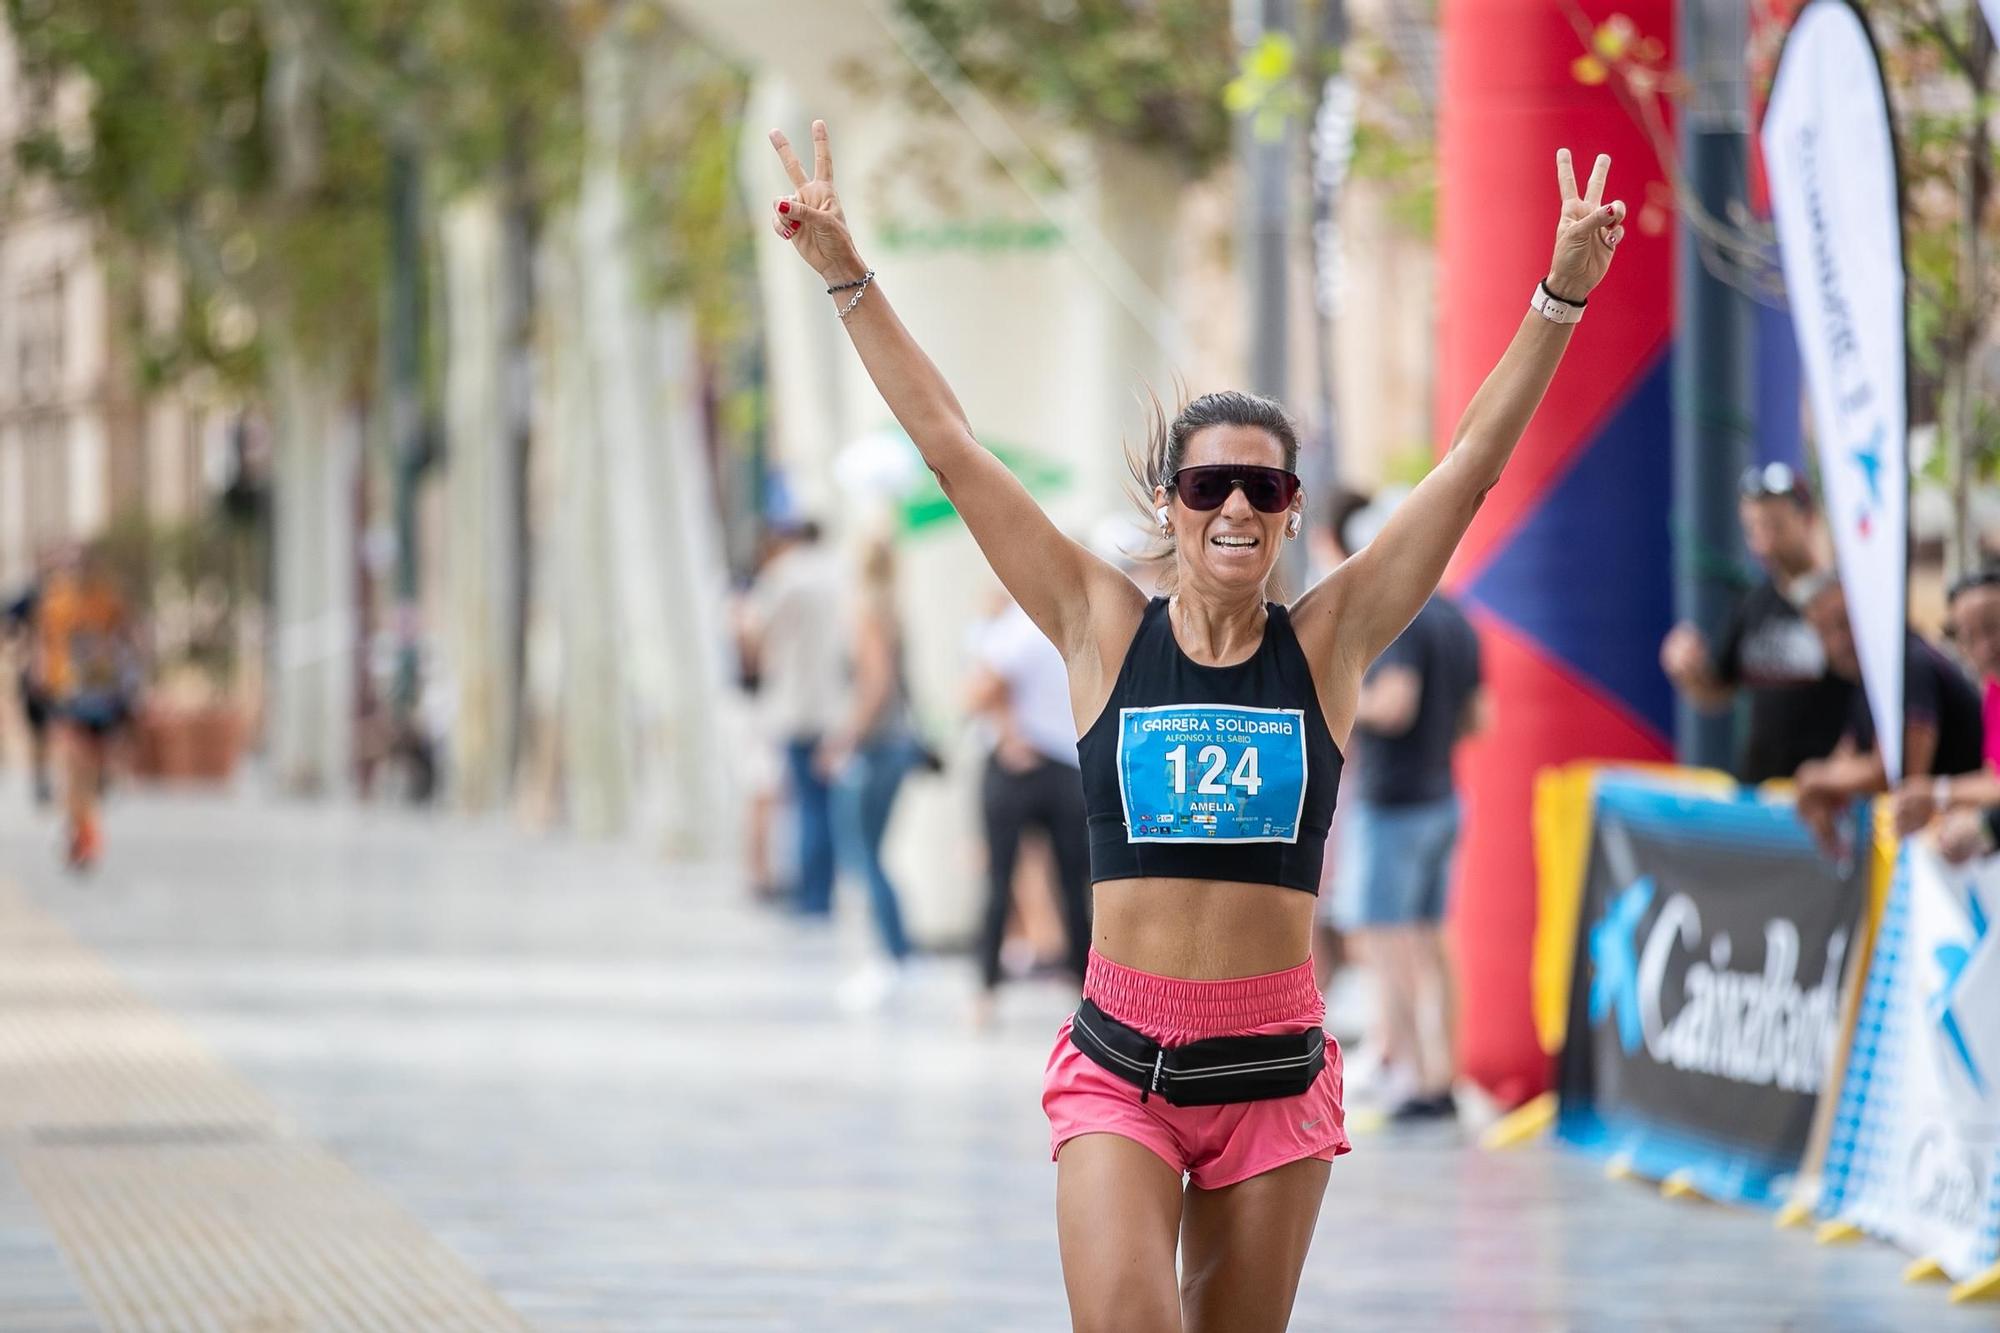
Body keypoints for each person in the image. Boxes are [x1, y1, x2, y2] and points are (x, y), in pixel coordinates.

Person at [766, 119, 1627, 1330]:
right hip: (1123, 1061)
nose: (1233, 505)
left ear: (1287, 516)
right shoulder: (1096, 627)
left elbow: (1468, 468)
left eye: (1262, 487)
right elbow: (949, 448)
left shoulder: (1326, 644)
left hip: (1272, 1076)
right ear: (1167, 507)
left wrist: (1555, 299)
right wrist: (846, 279)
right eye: (1205, 485)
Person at [1337, 587, 1483, 1121]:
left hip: (1394, 803)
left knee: (1384, 940)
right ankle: (1443, 1076)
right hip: (1442, 798)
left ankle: (1411, 1076)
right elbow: (1479, 719)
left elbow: (1396, 704)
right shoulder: (1459, 619)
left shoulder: (1400, 615)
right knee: (1430, 940)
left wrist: (1337, 701)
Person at [1659, 464, 1854, 783]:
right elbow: (1718, 689)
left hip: (1829, 795)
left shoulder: (1843, 602)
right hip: (1761, 792)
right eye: (1754, 528)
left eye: (1775, 525)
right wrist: (1687, 671)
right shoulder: (1754, 604)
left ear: (1807, 519)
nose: (1764, 540)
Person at [966, 591, 1093, 1023]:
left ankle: (985, 990)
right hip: (1066, 764)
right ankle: (1086, 991)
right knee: (1073, 884)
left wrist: (1008, 733)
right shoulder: (1075, 626)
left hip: (1020, 767)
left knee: (999, 880)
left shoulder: (1019, 627)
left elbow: (979, 690)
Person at [1793, 573, 1983, 856]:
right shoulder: (1871, 679)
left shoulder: (1911, 664)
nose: (1838, 642)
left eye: (1845, 622)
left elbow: (1898, 773)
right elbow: (1845, 761)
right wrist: (1820, 785)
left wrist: (1814, 780)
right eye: (1823, 632)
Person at [822, 534, 922, 1009]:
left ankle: (889, 959)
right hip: (894, 746)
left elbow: (875, 683)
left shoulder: (866, 613)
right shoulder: (892, 610)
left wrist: (843, 739)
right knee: (875, 854)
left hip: (875, 749)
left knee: (862, 855)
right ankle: (897, 955)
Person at [741, 518, 848, 918]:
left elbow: (752, 631)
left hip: (794, 704)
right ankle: (824, 889)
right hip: (834, 705)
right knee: (825, 803)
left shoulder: (784, 577)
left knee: (807, 804)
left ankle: (812, 896)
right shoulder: (840, 573)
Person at [35, 544, 138, 870]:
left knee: (91, 769)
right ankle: (80, 837)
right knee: (73, 763)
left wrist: (126, 676)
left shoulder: (109, 599)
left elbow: (127, 639)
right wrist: (41, 674)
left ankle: (84, 830)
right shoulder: (56, 601)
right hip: (68, 694)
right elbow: (45, 642)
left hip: (101, 696)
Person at [1892, 566, 2000, 838]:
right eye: (1969, 636)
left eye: (1993, 627)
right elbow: (1993, 778)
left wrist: (1938, 793)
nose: (1986, 647)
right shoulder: (1992, 690)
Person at [3, 556, 55, 806]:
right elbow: (7, 622)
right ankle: (41, 777)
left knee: (63, 731)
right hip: (34, 673)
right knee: (39, 731)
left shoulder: (71, 596)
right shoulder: (28, 599)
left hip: (65, 679)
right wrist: (18, 649)